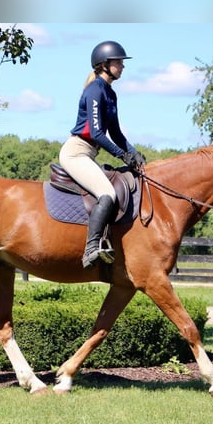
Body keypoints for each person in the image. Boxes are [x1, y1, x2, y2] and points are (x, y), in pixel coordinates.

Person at [59, 40, 146, 269]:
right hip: (75, 153)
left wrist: (133, 153)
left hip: (88, 154)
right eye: (119, 62)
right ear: (104, 64)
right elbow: (97, 133)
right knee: (107, 193)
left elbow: (115, 132)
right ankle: (91, 250)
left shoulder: (110, 94)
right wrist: (121, 155)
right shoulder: (95, 90)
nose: (123, 66)